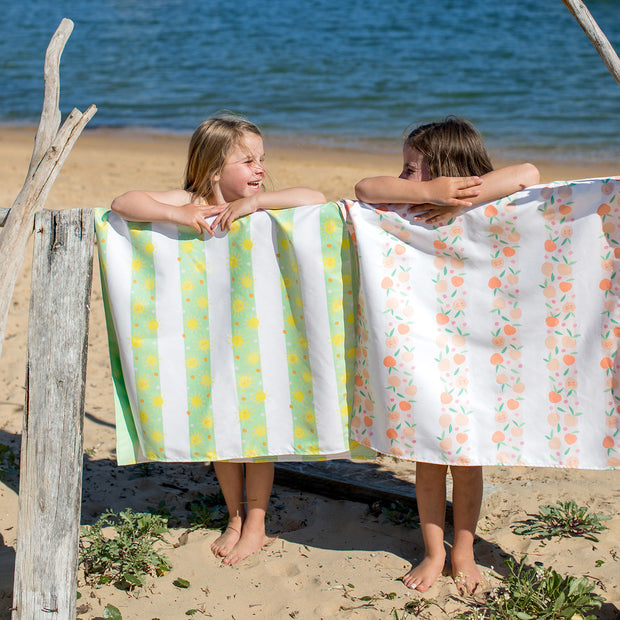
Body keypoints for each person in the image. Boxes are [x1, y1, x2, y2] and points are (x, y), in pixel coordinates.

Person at [111, 114, 329, 566]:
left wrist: (256, 205)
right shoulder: (191, 201)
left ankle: (257, 523)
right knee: (221, 426)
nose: (260, 168)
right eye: (247, 161)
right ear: (213, 168)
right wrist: (177, 214)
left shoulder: (262, 204)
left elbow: (316, 197)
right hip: (209, 333)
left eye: (262, 159)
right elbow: (123, 201)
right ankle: (233, 517)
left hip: (259, 333)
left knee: (260, 430)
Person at [353, 116, 540, 594]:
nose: (402, 178)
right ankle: (434, 551)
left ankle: (464, 548)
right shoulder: (410, 204)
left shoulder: (482, 205)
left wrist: (464, 195)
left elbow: (528, 173)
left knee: (468, 458)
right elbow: (362, 187)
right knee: (428, 458)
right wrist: (429, 190)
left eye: (411, 168)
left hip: (474, 349)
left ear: (448, 169)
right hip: (425, 351)